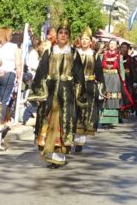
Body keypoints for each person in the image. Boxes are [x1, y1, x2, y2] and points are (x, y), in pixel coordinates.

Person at [31, 21, 85, 169]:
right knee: (47, 123)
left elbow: (80, 76)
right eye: (61, 32)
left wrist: (80, 95)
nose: (63, 35)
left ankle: (59, 157)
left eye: (66, 33)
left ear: (69, 36)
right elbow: (41, 72)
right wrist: (38, 93)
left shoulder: (73, 54)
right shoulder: (49, 52)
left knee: (63, 123)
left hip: (67, 93)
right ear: (57, 35)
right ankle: (49, 154)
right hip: (50, 91)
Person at [73, 29, 104, 152]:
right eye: (83, 39)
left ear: (91, 42)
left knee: (86, 113)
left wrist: (101, 89)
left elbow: (99, 74)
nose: (84, 41)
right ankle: (72, 137)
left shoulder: (94, 55)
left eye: (87, 39)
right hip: (76, 86)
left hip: (89, 87)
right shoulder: (75, 54)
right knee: (75, 112)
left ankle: (80, 141)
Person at [0, 27, 22, 122]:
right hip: (9, 75)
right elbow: (18, 64)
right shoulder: (14, 47)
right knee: (4, 102)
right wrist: (19, 77)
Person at [101, 40, 123, 125]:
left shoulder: (119, 56)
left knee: (113, 97)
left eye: (114, 44)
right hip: (105, 77)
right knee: (104, 97)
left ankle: (111, 119)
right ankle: (104, 119)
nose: (112, 45)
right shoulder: (103, 55)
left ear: (117, 46)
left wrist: (123, 81)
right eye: (111, 44)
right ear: (108, 45)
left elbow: (121, 69)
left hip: (115, 78)